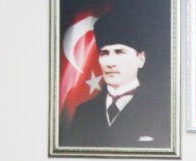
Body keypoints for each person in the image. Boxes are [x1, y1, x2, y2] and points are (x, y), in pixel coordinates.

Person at [62, 4, 169, 148]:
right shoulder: (84, 112)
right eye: (104, 53)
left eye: (120, 52)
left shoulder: (162, 109)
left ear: (140, 59)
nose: (110, 63)